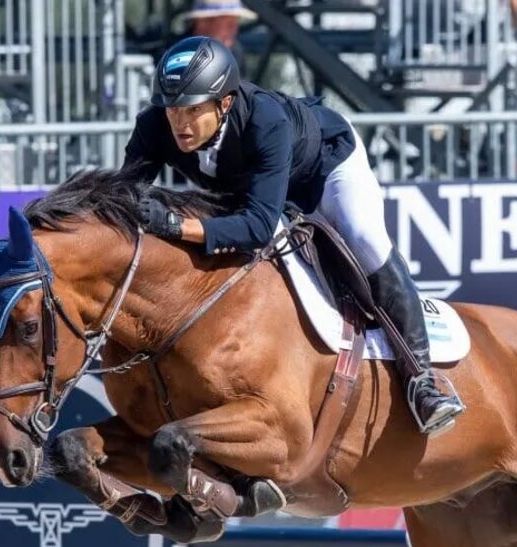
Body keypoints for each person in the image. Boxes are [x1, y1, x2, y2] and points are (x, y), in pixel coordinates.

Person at [123, 36, 465, 435]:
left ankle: (422, 383)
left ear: (226, 103)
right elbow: (123, 195)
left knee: (365, 239)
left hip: (325, 170)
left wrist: (175, 225)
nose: (180, 123)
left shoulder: (266, 120)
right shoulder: (155, 126)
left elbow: (257, 226)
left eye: (194, 110)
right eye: (173, 110)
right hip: (258, 188)